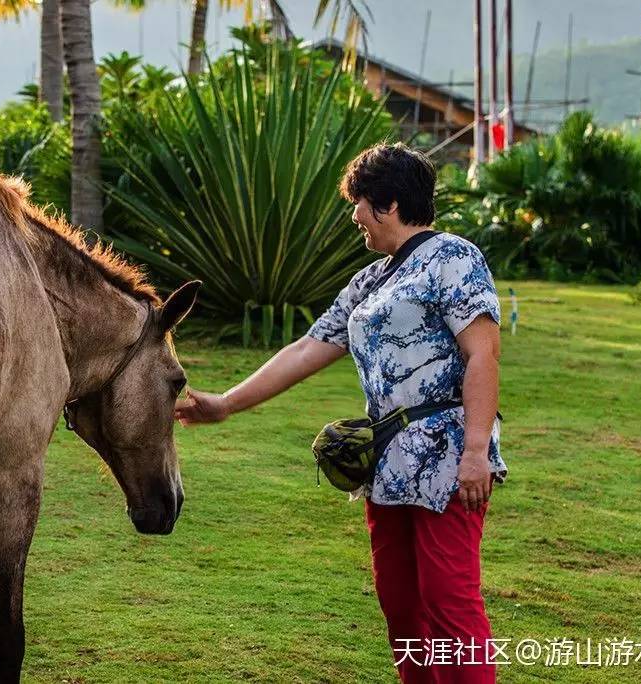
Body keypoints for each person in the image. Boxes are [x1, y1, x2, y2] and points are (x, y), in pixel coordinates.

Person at [175, 143, 507, 683]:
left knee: (449, 602)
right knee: (400, 605)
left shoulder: (454, 257)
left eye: (360, 205)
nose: (355, 218)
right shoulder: (371, 280)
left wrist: (475, 451)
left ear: (389, 204)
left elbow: (482, 354)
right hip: (387, 462)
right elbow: (308, 349)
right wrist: (226, 404)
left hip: (448, 454)